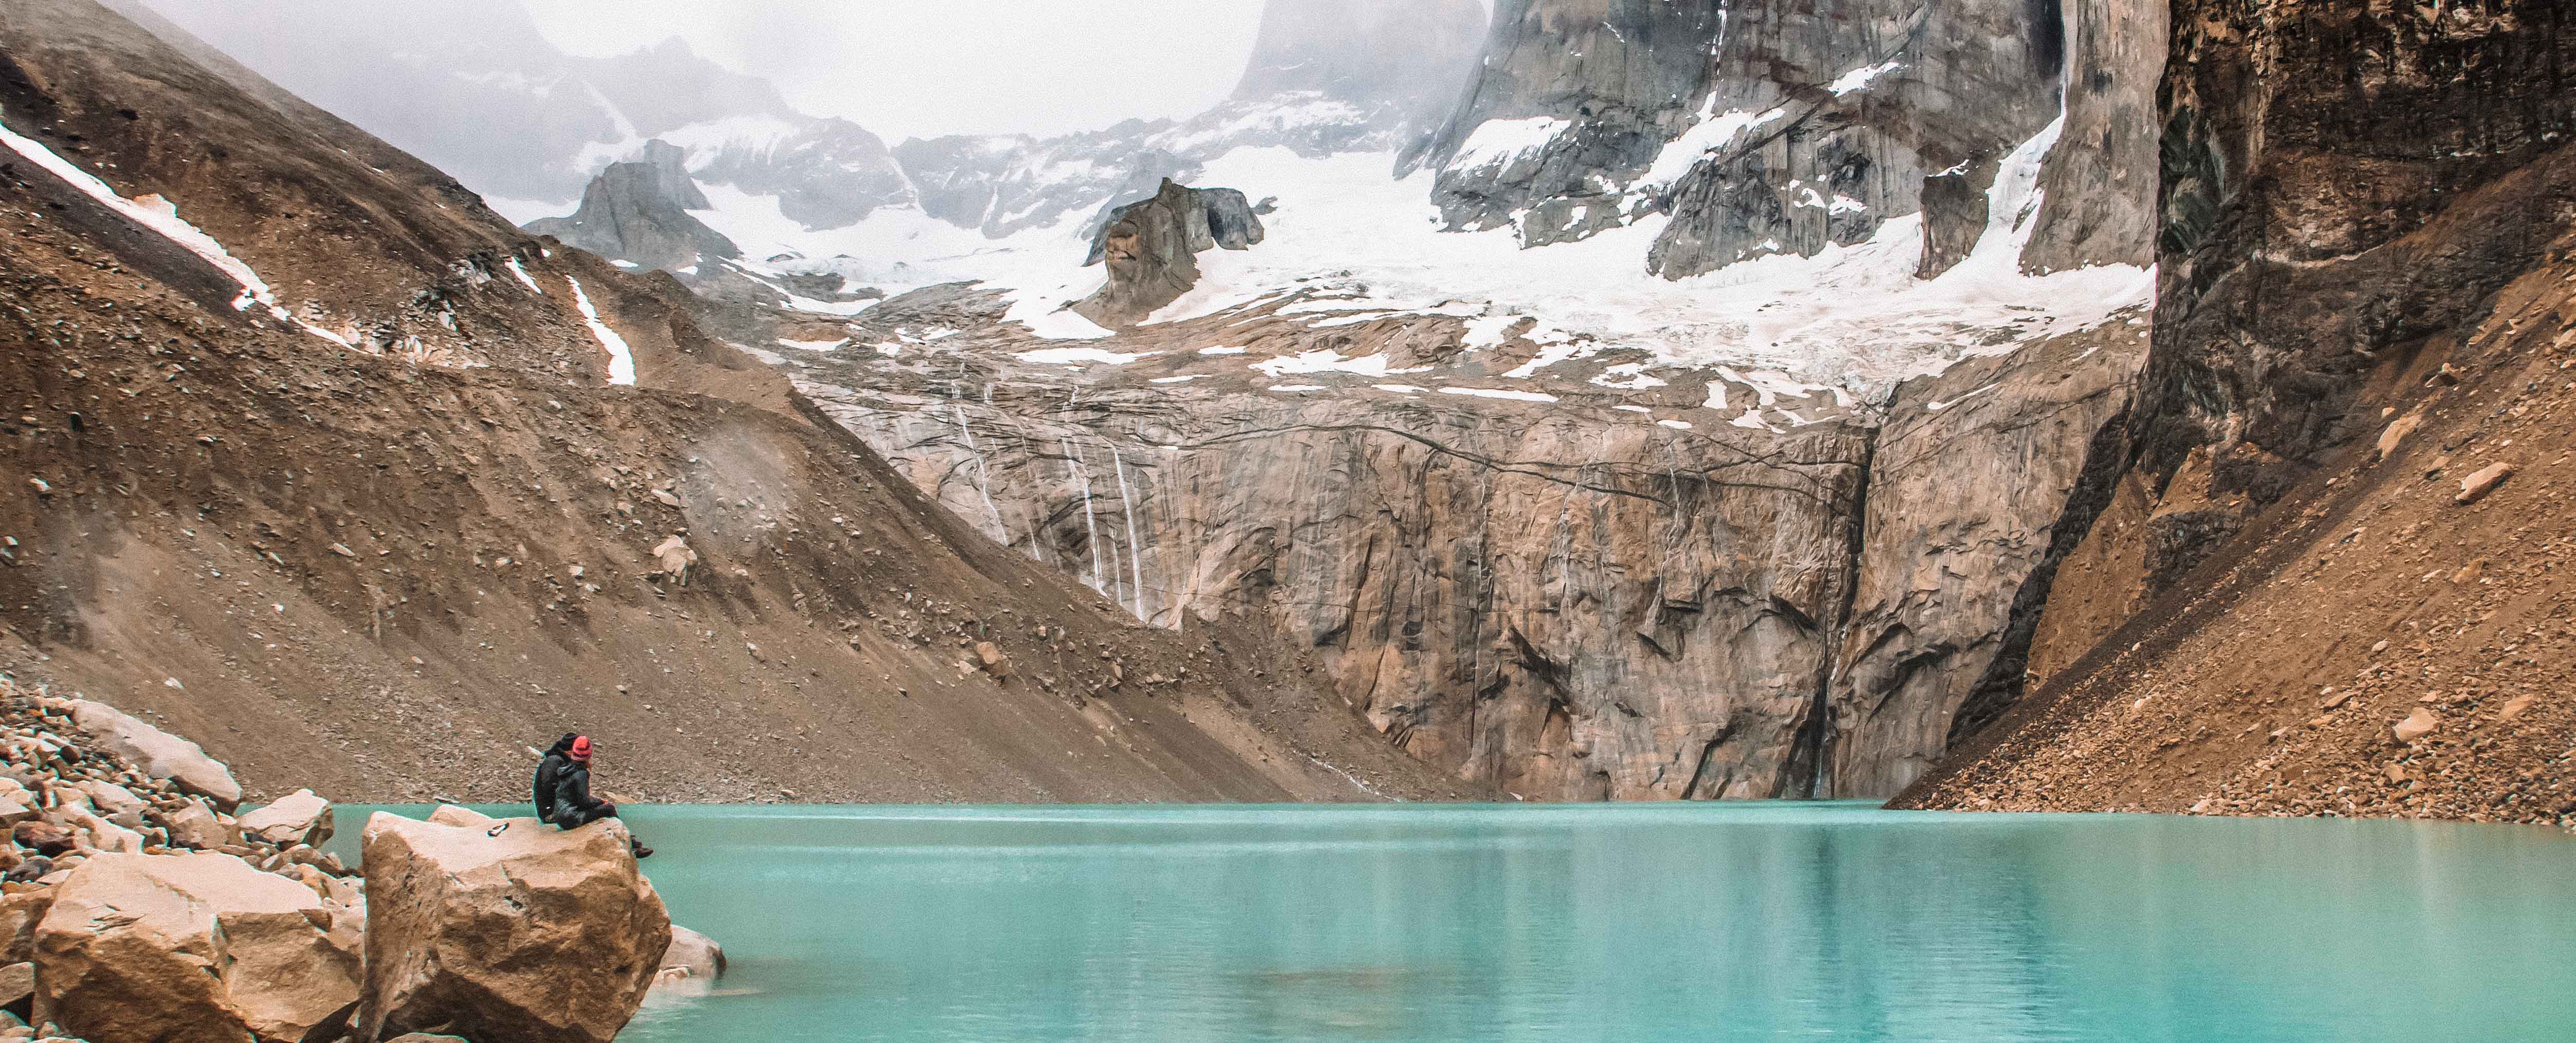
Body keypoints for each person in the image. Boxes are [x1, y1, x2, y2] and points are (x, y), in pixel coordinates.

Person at [533, 733, 652, 858]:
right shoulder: (557, 763)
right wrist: (599, 802)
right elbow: (555, 790)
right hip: (553, 814)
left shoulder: (565, 766)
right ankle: (631, 844)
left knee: (598, 809)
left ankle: (631, 842)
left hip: (560, 811)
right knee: (608, 809)